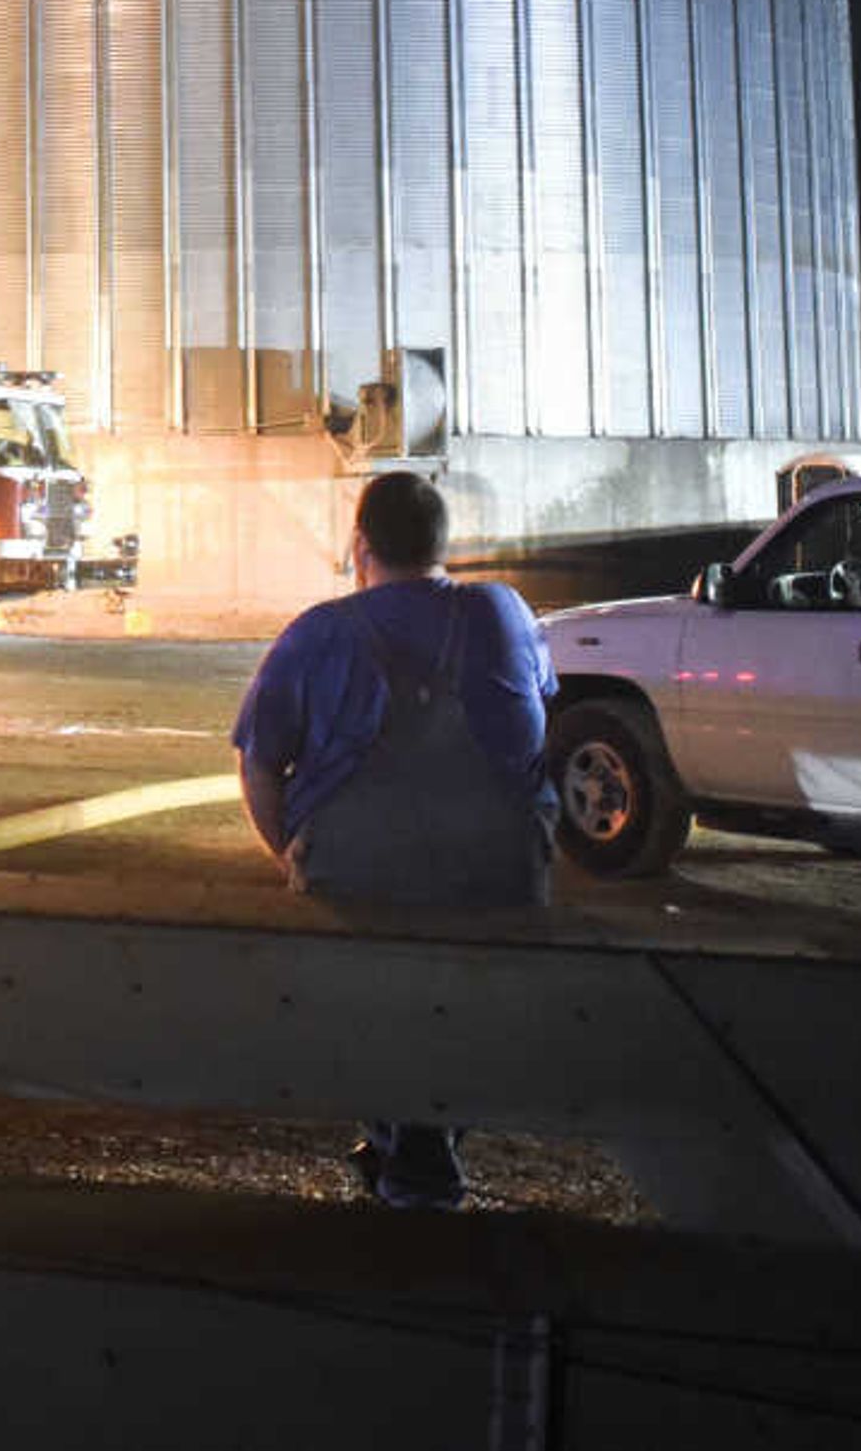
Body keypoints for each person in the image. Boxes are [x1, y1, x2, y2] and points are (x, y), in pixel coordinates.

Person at [232, 469, 557, 1210]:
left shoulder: (319, 630)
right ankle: (423, 1134)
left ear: (359, 547)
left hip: (357, 870)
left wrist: (294, 852)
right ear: (447, 546)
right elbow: (539, 713)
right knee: (467, 1005)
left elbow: (259, 759)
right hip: (500, 872)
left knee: (368, 996)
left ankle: (406, 1138)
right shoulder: (505, 611)